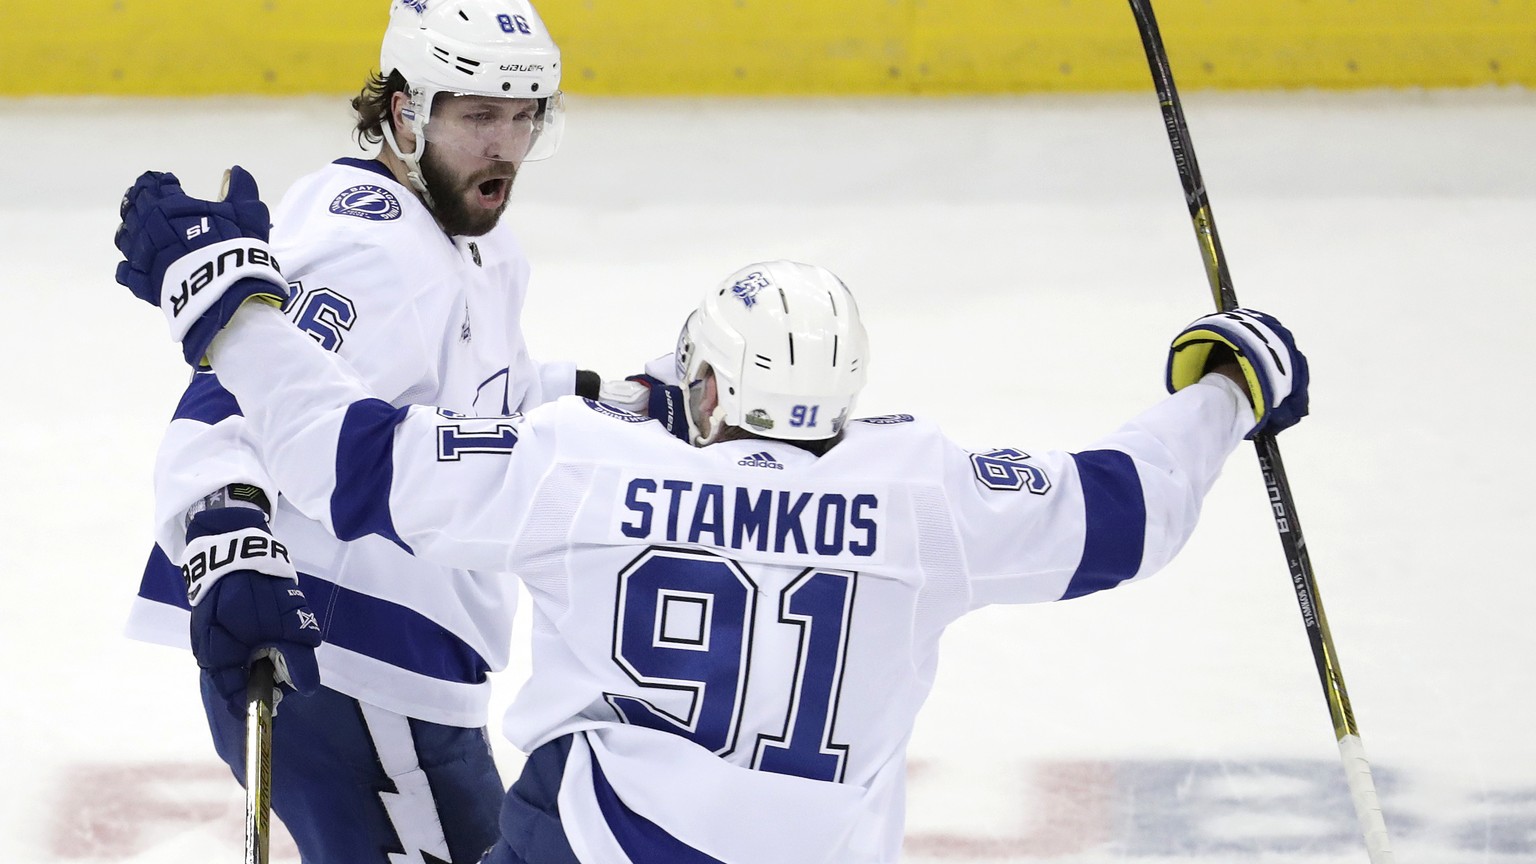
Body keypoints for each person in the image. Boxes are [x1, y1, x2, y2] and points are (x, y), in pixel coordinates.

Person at [114, 167, 1309, 862]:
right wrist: (1225, 388)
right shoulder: (923, 492)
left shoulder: (584, 468)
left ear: (713, 384)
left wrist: (232, 306)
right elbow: (1127, 510)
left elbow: (346, 453)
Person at [120, 2, 671, 861]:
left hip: (407, 679)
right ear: (406, 111)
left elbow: (492, 401)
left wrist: (628, 401)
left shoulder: (477, 248)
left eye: (524, 117)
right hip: (338, 663)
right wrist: (224, 527)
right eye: (480, 116)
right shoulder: (367, 242)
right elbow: (246, 383)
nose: (506, 147)